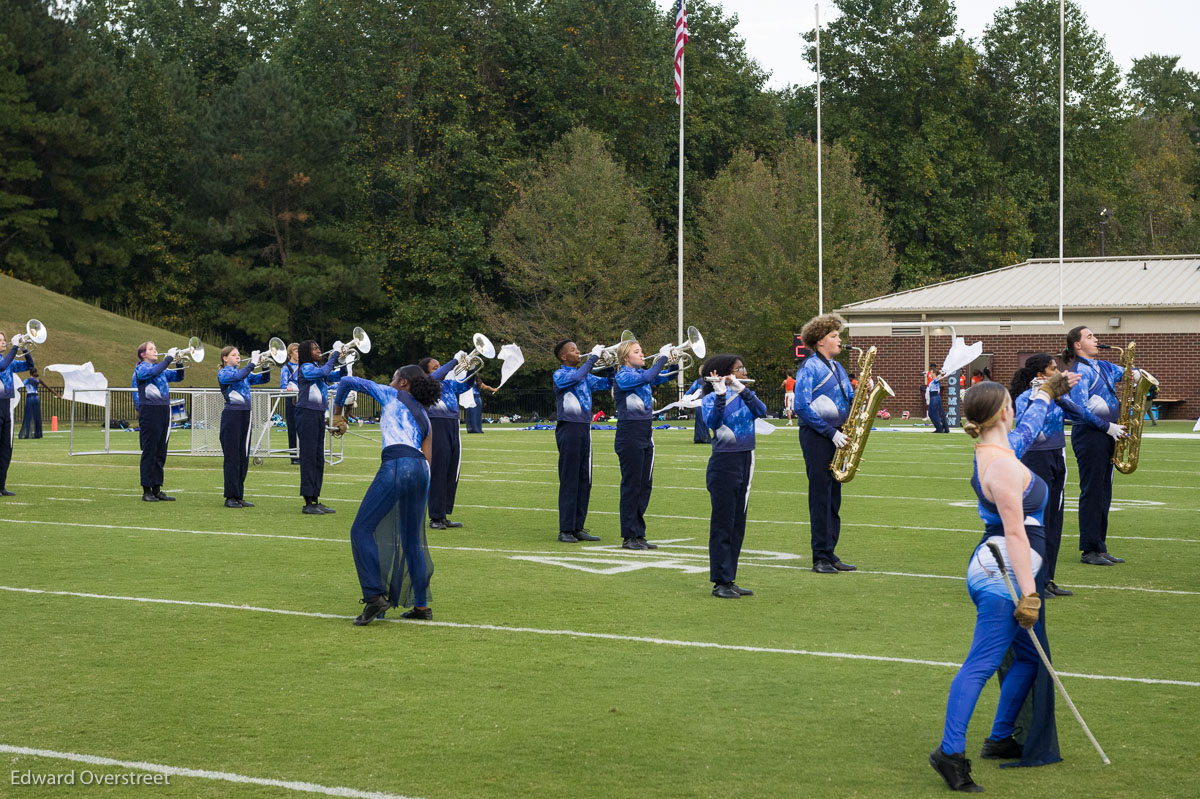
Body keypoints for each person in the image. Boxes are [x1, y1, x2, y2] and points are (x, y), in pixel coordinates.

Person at [929, 377, 1068, 793]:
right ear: (1004, 411)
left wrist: (1044, 394)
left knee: (1027, 658)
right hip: (1002, 573)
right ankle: (949, 753)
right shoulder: (1004, 464)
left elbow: (1025, 430)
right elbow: (1016, 533)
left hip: (999, 566)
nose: (1015, 409)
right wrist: (1028, 594)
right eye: (1012, 403)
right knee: (981, 663)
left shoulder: (997, 449)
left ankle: (1000, 737)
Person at [332, 365, 442, 625]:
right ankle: (421, 606)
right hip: (420, 470)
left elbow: (347, 380)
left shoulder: (391, 395)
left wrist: (337, 415)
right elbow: (427, 458)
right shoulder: (425, 417)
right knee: (412, 539)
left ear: (403, 382)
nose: (390, 381)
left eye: (393, 377)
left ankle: (374, 597)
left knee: (361, 530)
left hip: (397, 465)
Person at [1009, 356, 1096, 597]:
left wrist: (1061, 396)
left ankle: (1048, 578)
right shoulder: (1026, 397)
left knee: (1055, 521)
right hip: (1036, 459)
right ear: (1040, 373)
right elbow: (1026, 421)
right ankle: (1033, 581)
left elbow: (1079, 415)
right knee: (1039, 521)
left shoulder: (1058, 396)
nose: (1058, 371)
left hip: (1057, 456)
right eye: (1053, 368)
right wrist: (1043, 393)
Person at [793, 314, 857, 573]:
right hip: (818, 436)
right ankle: (819, 555)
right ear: (820, 341)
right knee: (820, 495)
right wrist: (830, 433)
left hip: (838, 433)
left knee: (834, 496)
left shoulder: (838, 367)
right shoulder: (809, 367)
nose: (839, 340)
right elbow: (801, 406)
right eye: (834, 336)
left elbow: (850, 397)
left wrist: (865, 392)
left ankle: (830, 552)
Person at [1062, 326, 1130, 566]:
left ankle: (1100, 547)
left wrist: (1140, 376)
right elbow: (1079, 410)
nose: (1097, 339)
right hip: (1091, 435)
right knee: (1092, 492)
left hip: (1109, 434)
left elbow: (1131, 373)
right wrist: (1106, 427)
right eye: (1090, 337)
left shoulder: (1103, 367)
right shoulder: (1079, 371)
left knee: (1104, 492)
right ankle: (1089, 549)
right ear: (1077, 345)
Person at [701, 354, 767, 598]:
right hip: (724, 462)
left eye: (743, 368)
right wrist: (720, 395)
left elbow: (762, 411)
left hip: (746, 458)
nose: (743, 372)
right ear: (721, 373)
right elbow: (713, 423)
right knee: (723, 523)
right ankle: (720, 581)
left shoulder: (744, 395)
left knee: (738, 524)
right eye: (738, 369)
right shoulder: (709, 398)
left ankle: (730, 577)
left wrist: (742, 390)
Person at [613, 338, 677, 550]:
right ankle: (629, 536)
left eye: (642, 351)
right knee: (631, 486)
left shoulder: (641, 374)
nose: (642, 354)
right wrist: (662, 358)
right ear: (625, 358)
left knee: (644, 486)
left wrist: (674, 362)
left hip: (645, 433)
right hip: (629, 433)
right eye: (637, 352)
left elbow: (666, 376)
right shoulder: (623, 375)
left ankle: (638, 533)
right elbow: (651, 374)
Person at [552, 340, 611, 543]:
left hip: (585, 429)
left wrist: (611, 366)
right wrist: (593, 358)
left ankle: (578, 527)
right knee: (570, 479)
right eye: (573, 350)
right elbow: (576, 376)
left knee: (584, 480)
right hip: (569, 428)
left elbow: (607, 384)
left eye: (577, 349)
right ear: (563, 357)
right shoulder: (560, 374)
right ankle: (565, 529)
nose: (578, 352)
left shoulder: (585, 375)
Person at [421, 354, 478, 529]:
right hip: (437, 425)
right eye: (435, 367)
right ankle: (435, 517)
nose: (439, 369)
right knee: (439, 470)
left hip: (453, 425)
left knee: (452, 471)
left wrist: (472, 369)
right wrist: (454, 362)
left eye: (440, 366)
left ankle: (444, 514)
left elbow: (465, 386)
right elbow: (436, 375)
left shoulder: (447, 384)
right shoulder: (426, 383)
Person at [217, 346, 272, 508]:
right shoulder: (224, 373)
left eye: (239, 355)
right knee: (232, 457)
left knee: (243, 457)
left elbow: (264, 379)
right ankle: (230, 496)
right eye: (234, 355)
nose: (238, 357)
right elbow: (238, 376)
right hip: (231, 416)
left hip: (246, 416)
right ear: (225, 358)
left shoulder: (244, 374)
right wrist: (252, 363)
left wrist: (265, 365)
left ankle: (239, 495)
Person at [133, 341, 184, 502]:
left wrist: (179, 362)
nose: (155, 351)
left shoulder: (161, 369)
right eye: (151, 349)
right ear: (143, 354)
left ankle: (157, 488)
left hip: (163, 410)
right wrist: (168, 358)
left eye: (155, 348)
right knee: (150, 450)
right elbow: (152, 372)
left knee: (161, 451)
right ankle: (146, 490)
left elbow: (178, 376)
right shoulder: (141, 368)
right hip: (149, 410)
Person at [295, 340, 343, 514]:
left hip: (317, 414)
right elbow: (324, 371)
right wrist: (335, 354)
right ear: (306, 352)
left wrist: (344, 361)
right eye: (314, 348)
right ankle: (308, 502)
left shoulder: (316, 367)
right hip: (306, 414)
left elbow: (336, 376)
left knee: (317, 458)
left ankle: (315, 498)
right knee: (308, 458)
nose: (319, 350)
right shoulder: (306, 368)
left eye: (318, 347)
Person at [0, 332, 35, 496]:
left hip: (6, 405)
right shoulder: (6, 361)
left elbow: (30, 366)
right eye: (0, 340)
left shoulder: (10, 362)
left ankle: (1, 486)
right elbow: (2, 366)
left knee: (6, 448)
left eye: (4, 340)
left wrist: (25, 348)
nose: (2, 342)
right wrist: (14, 347)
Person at [19, 368, 60, 439]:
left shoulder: (27, 380)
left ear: (30, 373)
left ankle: (27, 434)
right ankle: (37, 434)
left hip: (30, 397)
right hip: (36, 398)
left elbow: (19, 386)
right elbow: (48, 387)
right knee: (37, 417)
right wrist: (56, 394)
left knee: (28, 416)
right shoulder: (38, 379)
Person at [280, 343, 301, 464]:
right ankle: (294, 456)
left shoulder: (305, 366)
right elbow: (283, 385)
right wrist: (288, 388)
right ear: (290, 353)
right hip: (292, 399)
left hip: (303, 398)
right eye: (296, 351)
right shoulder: (286, 368)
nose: (299, 353)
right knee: (292, 428)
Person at [685, 376, 710, 443]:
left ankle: (699, 438)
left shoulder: (698, 382)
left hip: (700, 403)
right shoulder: (712, 380)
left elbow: (689, 392)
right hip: (708, 403)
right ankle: (705, 437)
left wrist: (685, 398)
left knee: (699, 421)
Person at [927, 366, 950, 433]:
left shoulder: (936, 380)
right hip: (935, 397)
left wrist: (941, 373)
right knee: (940, 413)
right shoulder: (934, 380)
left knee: (932, 414)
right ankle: (945, 428)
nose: (930, 374)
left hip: (934, 397)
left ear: (934, 373)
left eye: (931, 372)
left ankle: (939, 428)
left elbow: (939, 378)